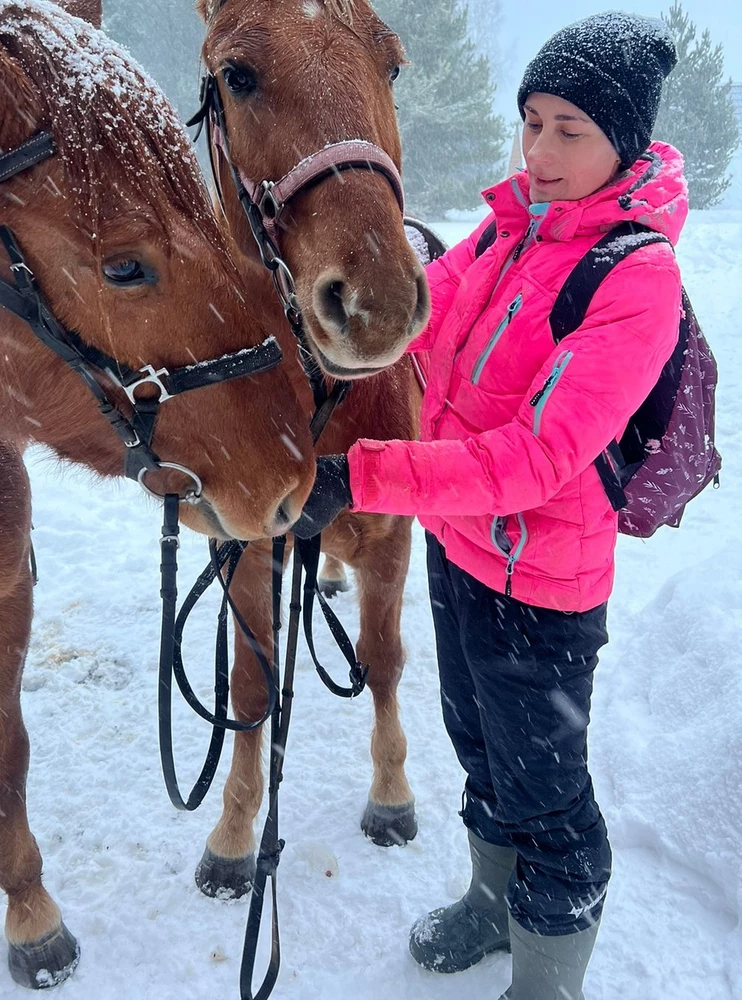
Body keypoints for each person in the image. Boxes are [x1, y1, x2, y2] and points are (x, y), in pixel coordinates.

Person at [292, 12, 685, 998]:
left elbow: (539, 458)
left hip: (545, 590)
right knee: (479, 749)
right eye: (532, 121)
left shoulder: (636, 280)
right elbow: (416, 323)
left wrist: (363, 477)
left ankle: (548, 972)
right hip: (460, 554)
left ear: (623, 143)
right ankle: (489, 898)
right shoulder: (509, 230)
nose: (541, 152)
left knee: (549, 791)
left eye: (571, 131)